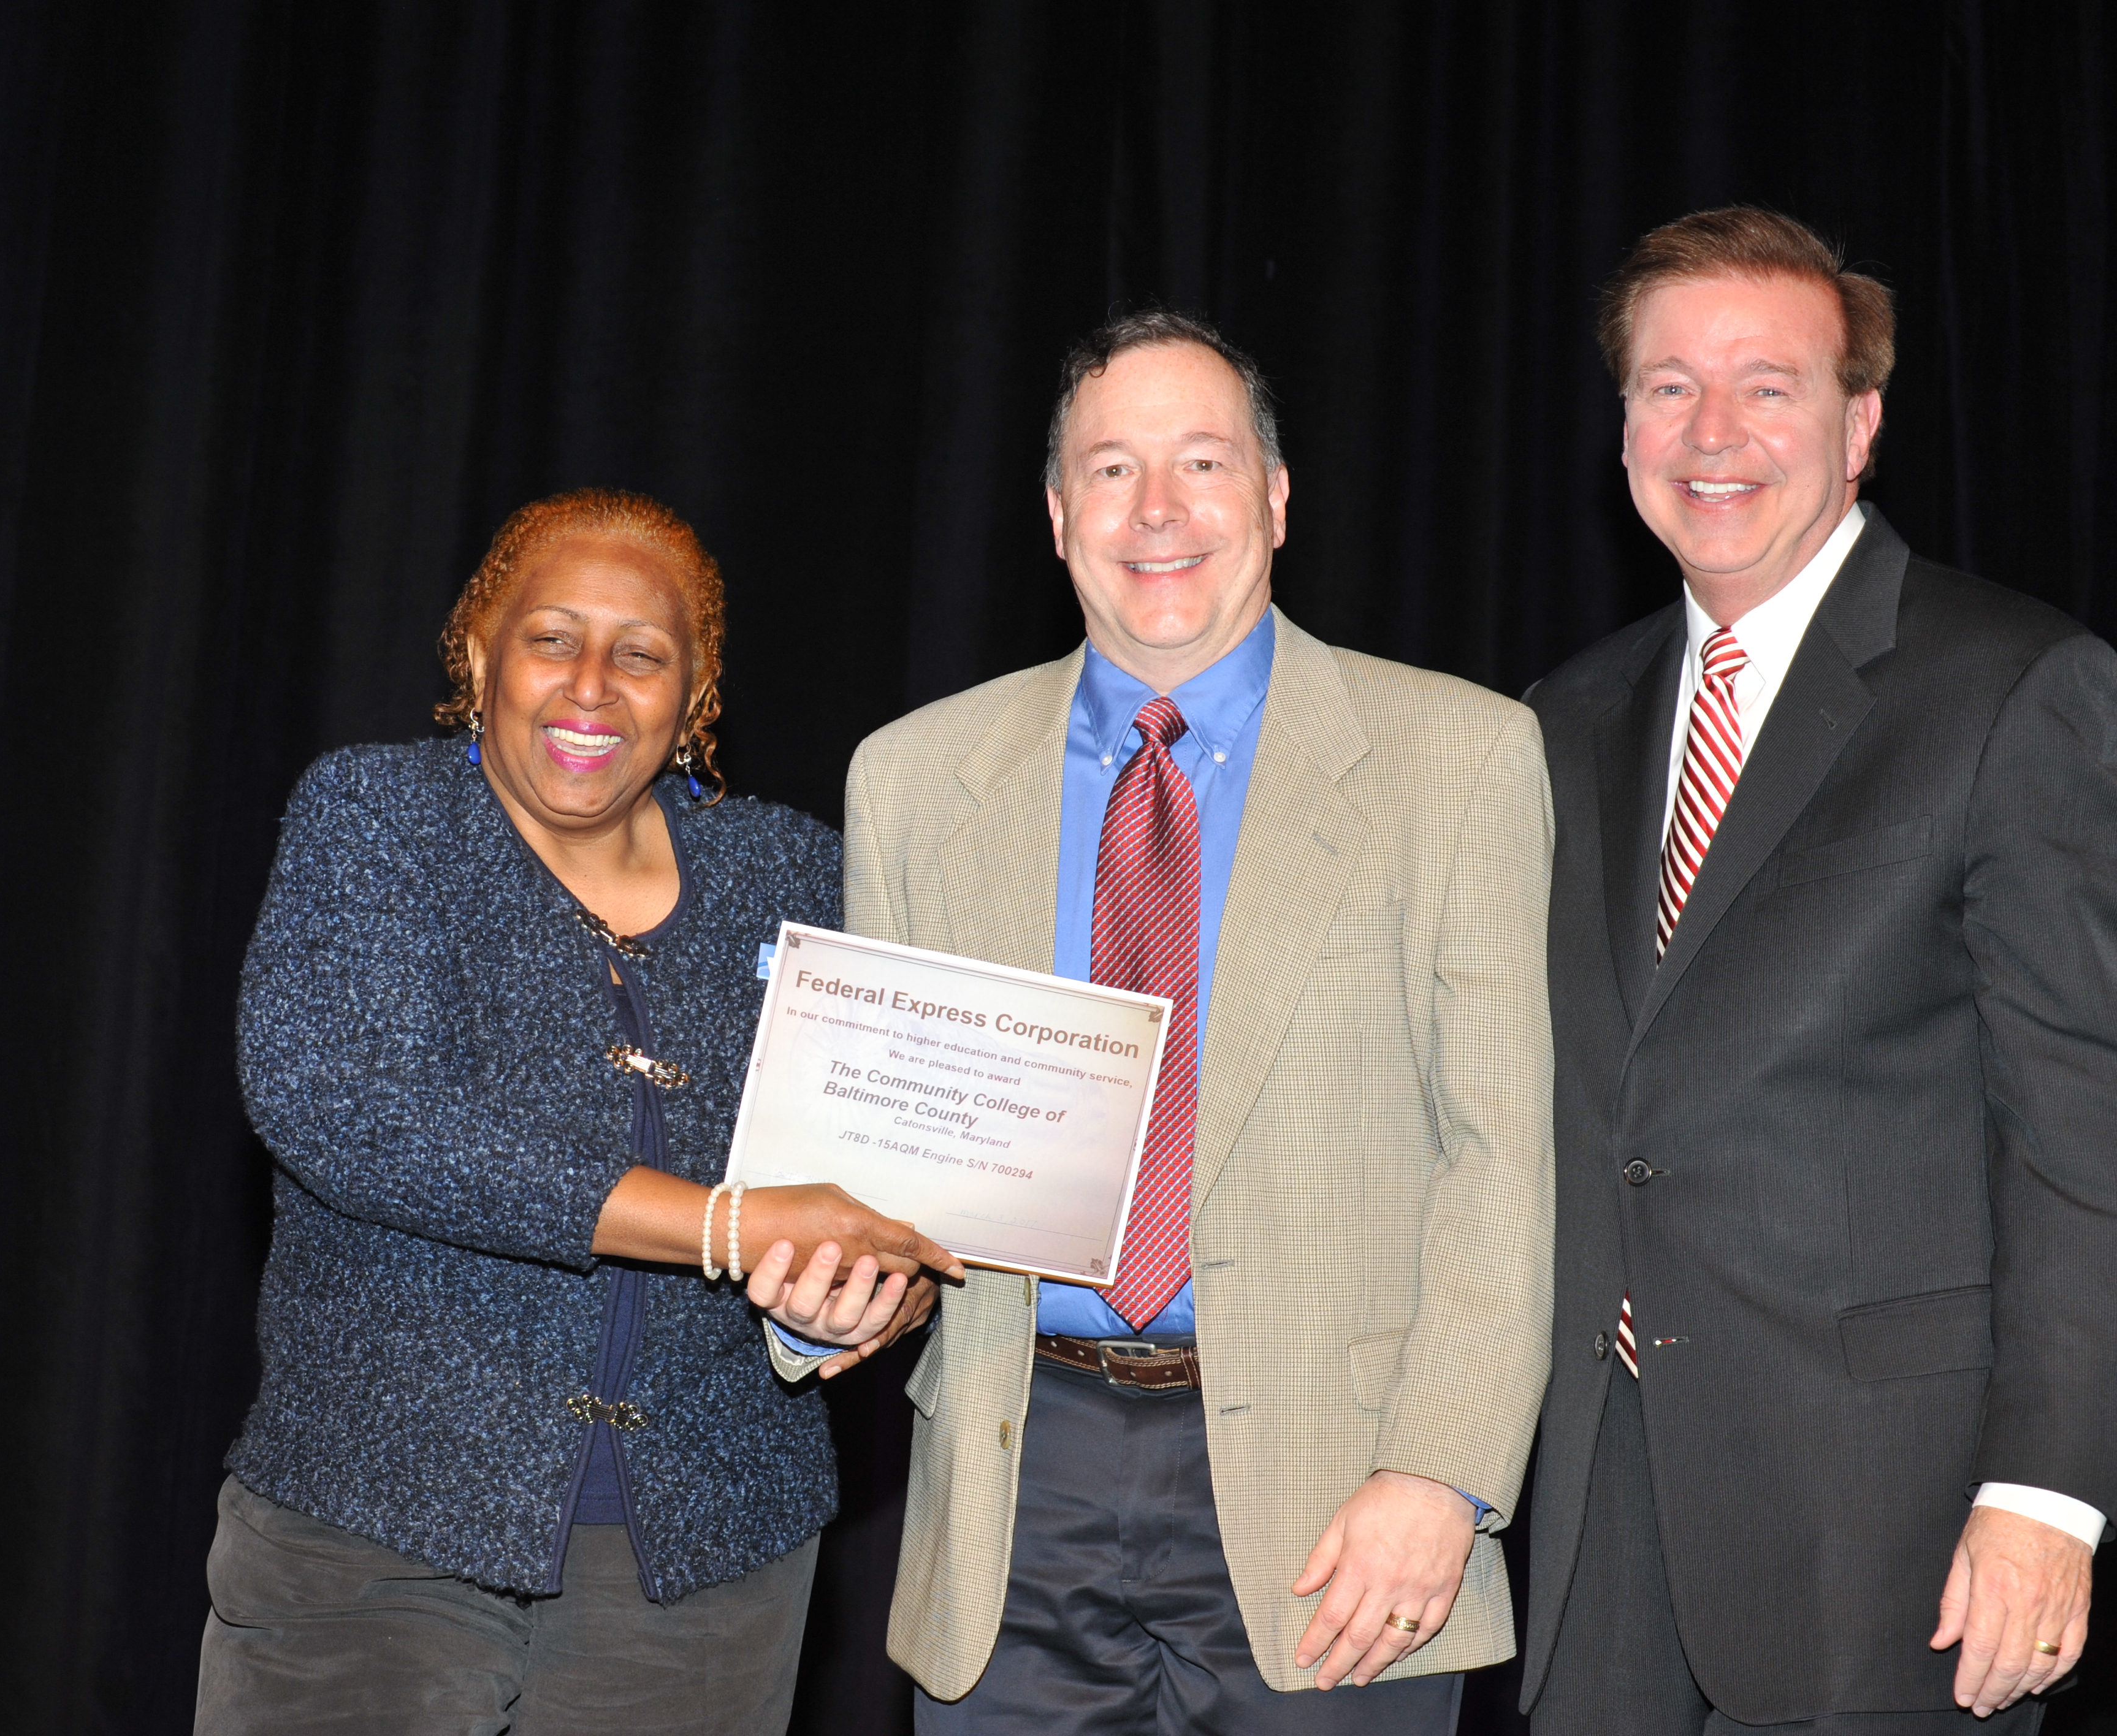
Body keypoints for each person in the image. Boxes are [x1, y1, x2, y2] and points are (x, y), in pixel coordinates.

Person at [789, 311, 1555, 1732]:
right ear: (1054, 513)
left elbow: (1502, 1154)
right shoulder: (913, 777)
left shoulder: (1458, 760)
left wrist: (1442, 1473)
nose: (1157, 512)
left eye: (1201, 463)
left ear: (1273, 497)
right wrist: (826, 1286)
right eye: (1111, 468)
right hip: (1018, 1488)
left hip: (1339, 1511)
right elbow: (884, 1156)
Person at [195, 487, 953, 1736]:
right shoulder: (380, 818)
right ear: (479, 655)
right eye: (552, 638)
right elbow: (344, 1106)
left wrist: (853, 1296)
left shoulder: (796, 875)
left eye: (642, 654)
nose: (592, 685)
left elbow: (864, 1174)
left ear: (695, 696)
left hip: (709, 1557)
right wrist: (725, 1225)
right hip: (376, 1528)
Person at [1519, 208, 2115, 1735]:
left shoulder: (2012, 686)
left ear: (1858, 426)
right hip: (1605, 1514)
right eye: (1666, 387)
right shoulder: (1561, 720)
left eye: (1765, 385)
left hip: (1892, 1529)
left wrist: (2050, 1495)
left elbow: (2080, 1133)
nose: (1711, 432)